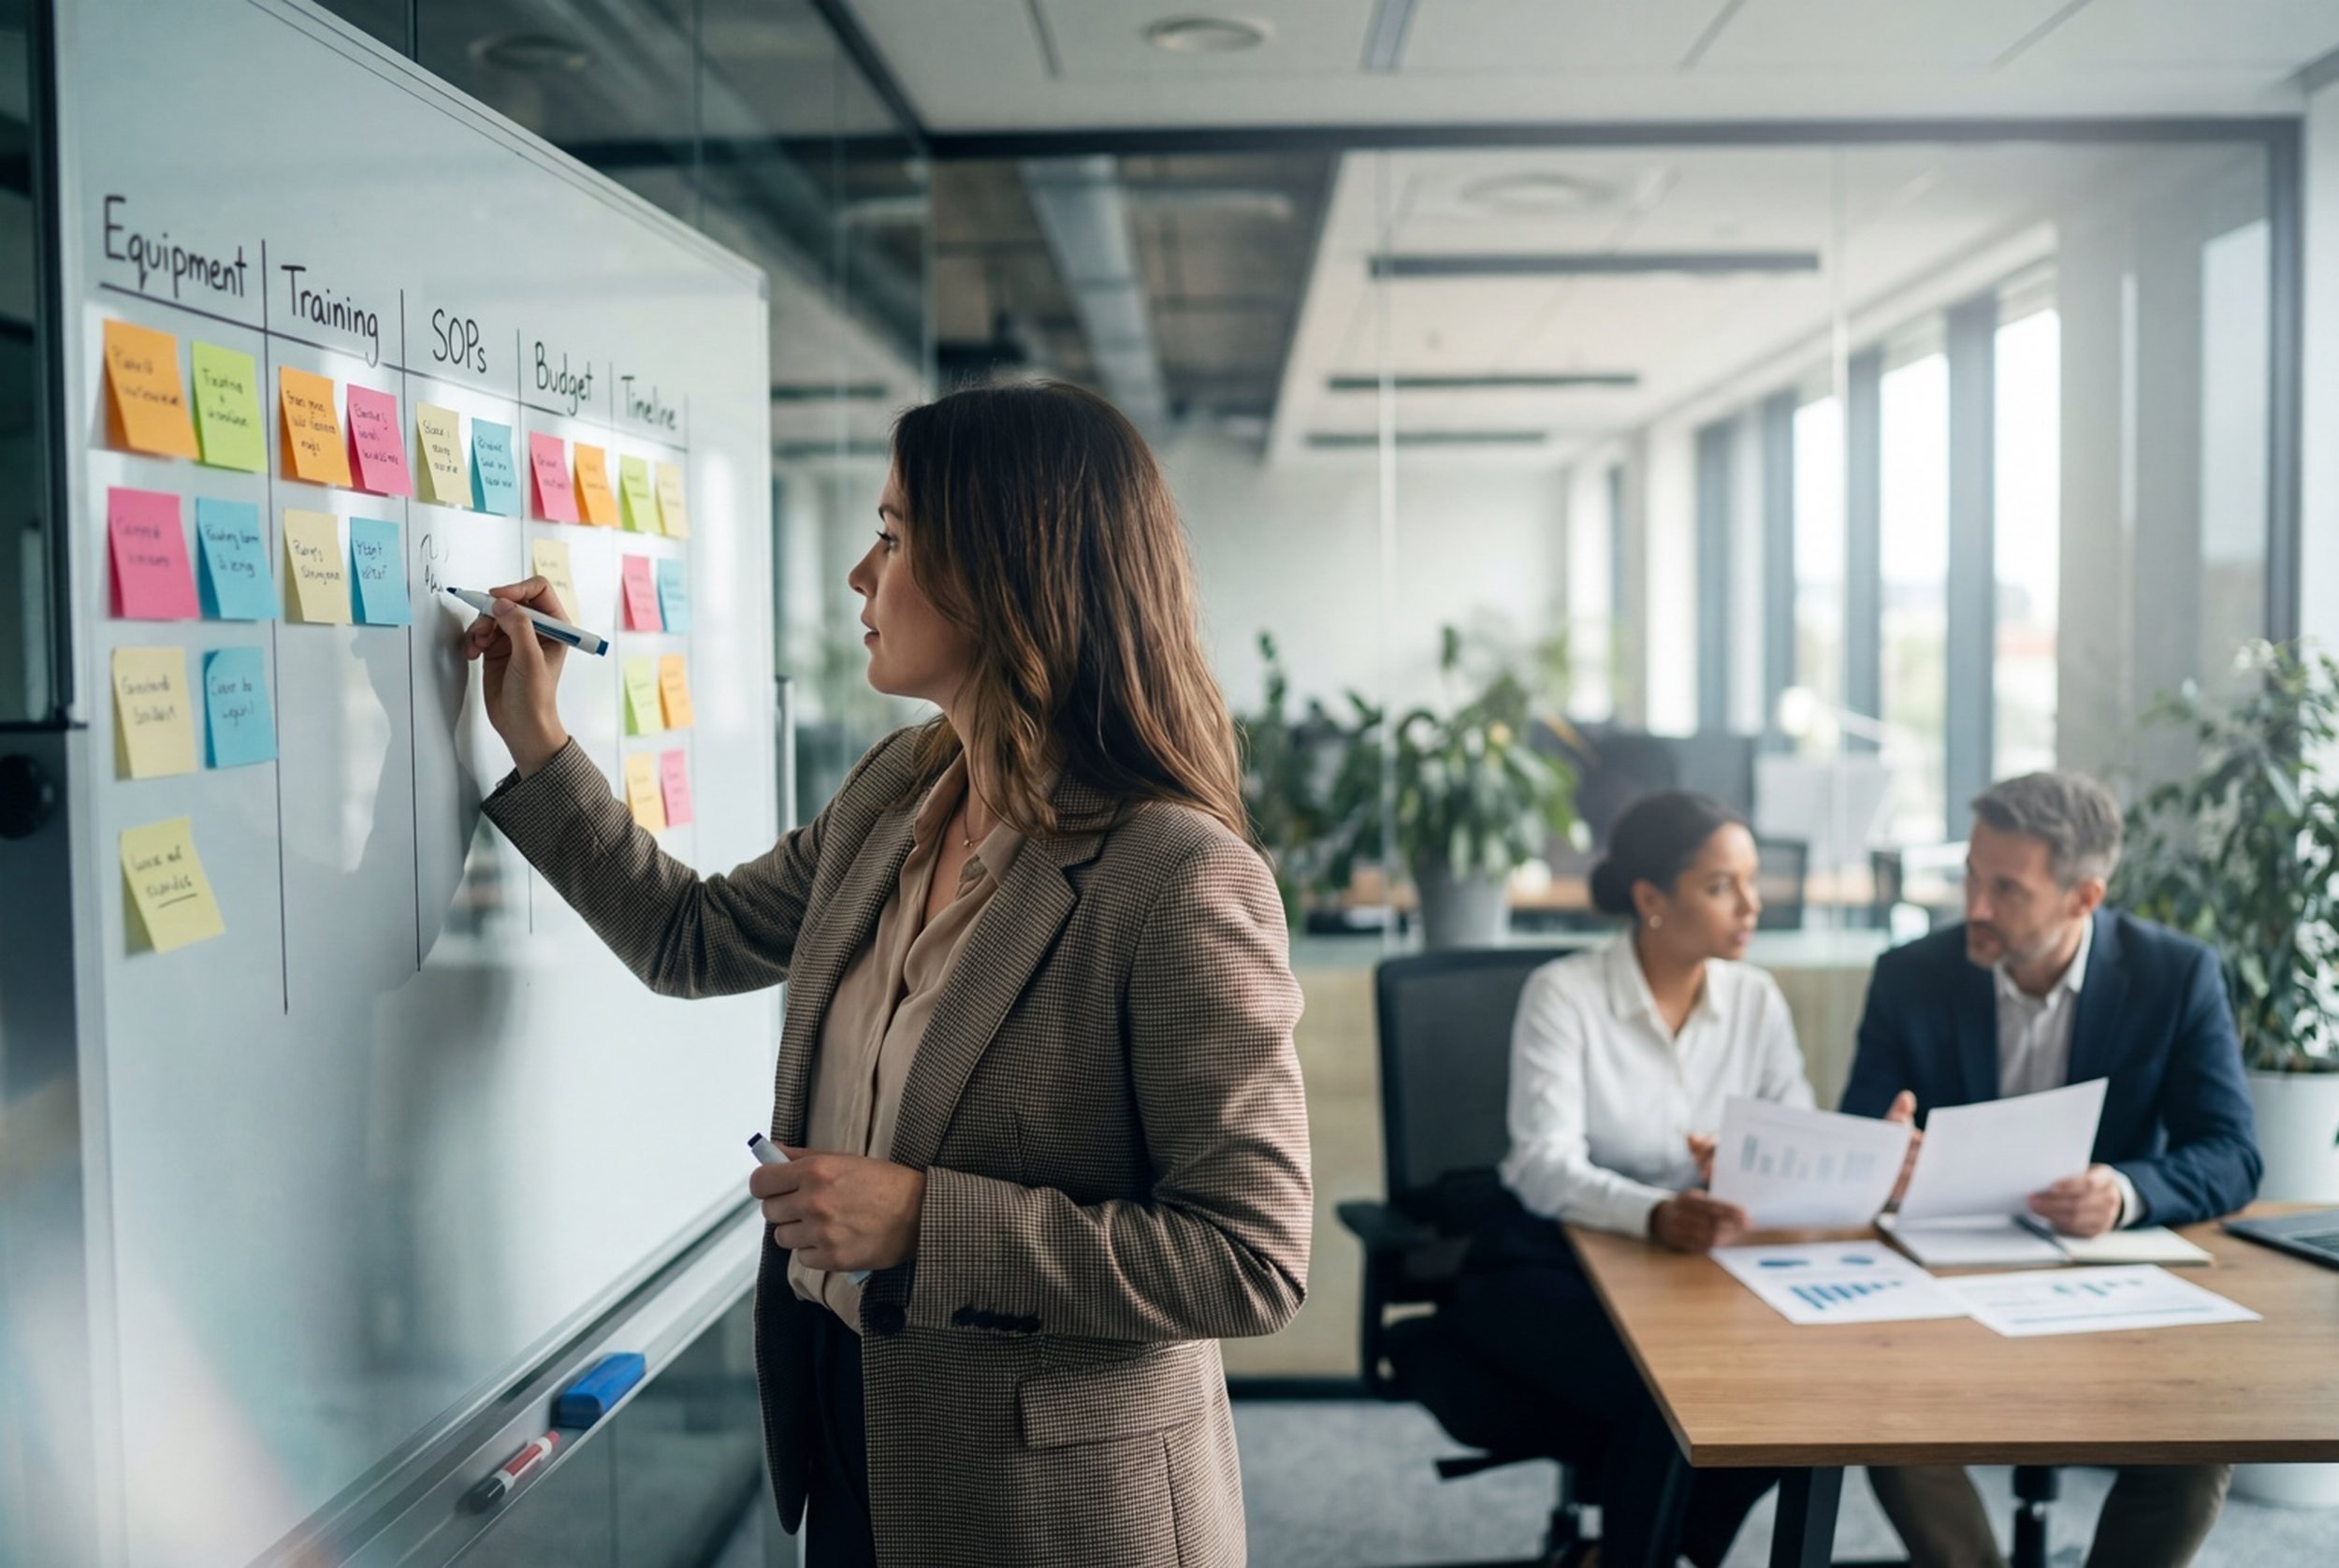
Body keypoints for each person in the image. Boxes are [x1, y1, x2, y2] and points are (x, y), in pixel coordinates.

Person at [463, 382, 1311, 1568]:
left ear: (1006, 573)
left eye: (895, 537)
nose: (862, 575)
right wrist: (537, 736)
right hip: (854, 1433)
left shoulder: (1176, 876)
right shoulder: (895, 790)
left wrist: (921, 1218)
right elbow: (691, 936)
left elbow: (1250, 1257)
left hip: (1052, 1508)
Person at [1842, 771, 2260, 1568]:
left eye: (2006, 889)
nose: (1975, 906)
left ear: (2083, 897)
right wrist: (1881, 1156)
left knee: (2199, 1444)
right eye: (1971, 875)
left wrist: (2126, 1191)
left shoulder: (2176, 976)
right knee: (1881, 1415)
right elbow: (1861, 1131)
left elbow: (2232, 1152)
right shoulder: (1909, 974)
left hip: (2104, 1283)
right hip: (1939, 1286)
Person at [1450, 791, 1806, 1568]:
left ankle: (1635, 1556)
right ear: (1652, 898)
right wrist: (1656, 1213)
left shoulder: (1756, 1000)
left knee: (1793, 1389)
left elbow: (1794, 1138)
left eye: (1752, 882)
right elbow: (1542, 1164)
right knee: (1673, 1390)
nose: (1751, 905)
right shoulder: (1566, 993)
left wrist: (1751, 1162)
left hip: (1695, 1271)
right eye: (1722, 886)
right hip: (1548, 1258)